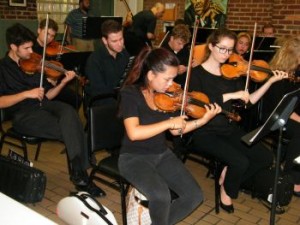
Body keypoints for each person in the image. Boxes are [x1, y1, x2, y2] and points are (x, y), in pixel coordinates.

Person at [188, 28, 288, 213]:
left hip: (228, 128)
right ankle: (227, 192)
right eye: (222, 48)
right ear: (211, 46)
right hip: (205, 131)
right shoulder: (196, 75)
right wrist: (231, 94)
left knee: (264, 157)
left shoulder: (232, 72)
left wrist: (269, 82)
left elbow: (249, 101)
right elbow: (202, 104)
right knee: (240, 162)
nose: (227, 54)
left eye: (230, 49)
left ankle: (228, 179)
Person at [118, 47, 221, 225]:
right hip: (134, 158)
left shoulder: (166, 96)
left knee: (194, 196)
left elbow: (176, 130)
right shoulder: (130, 94)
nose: (171, 83)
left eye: (173, 78)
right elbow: (134, 133)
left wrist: (203, 120)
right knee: (161, 196)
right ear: (151, 75)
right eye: (167, 79)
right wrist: (167, 123)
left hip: (161, 154)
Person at [0, 23, 104, 197]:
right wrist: (26, 94)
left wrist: (63, 82)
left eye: (31, 46)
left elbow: (48, 96)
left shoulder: (32, 62)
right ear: (13, 47)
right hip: (23, 115)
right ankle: (81, 175)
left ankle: (80, 174)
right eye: (26, 48)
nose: (31, 51)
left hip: (44, 105)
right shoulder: (2, 69)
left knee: (69, 112)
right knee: (73, 129)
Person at [261, 35, 300, 196]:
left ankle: (292, 167)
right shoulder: (276, 76)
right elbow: (281, 107)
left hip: (292, 115)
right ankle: (294, 178)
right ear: (292, 56)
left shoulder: (295, 73)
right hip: (276, 117)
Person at [33, 18, 82, 110]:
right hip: (39, 86)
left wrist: (56, 77)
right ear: (39, 30)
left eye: (52, 36)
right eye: (47, 34)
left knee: (77, 99)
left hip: (55, 84)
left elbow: (57, 68)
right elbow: (30, 69)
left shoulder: (52, 49)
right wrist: (48, 79)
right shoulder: (31, 49)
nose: (49, 38)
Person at [84, 19, 130, 106]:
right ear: (105, 41)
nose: (120, 44)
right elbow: (99, 93)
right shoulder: (94, 60)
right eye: (114, 41)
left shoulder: (124, 53)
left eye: (121, 39)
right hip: (101, 102)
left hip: (120, 98)